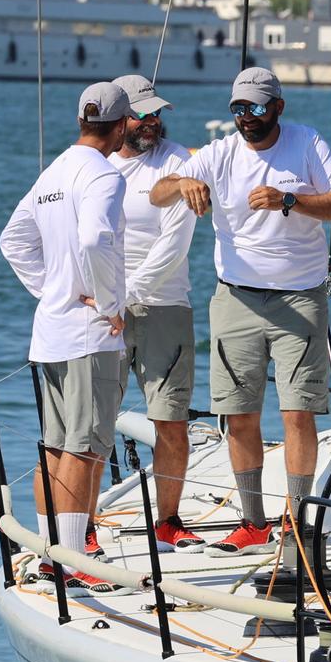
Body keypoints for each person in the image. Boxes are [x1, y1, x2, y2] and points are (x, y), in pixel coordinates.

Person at [150, 66, 331, 559]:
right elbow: (156, 192)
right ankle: (253, 521)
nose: (246, 118)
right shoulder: (219, 153)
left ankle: (299, 519)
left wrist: (292, 200)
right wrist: (181, 184)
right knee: (239, 416)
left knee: (297, 413)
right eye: (238, 109)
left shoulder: (306, 144)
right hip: (235, 300)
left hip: (300, 299)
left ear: (278, 108)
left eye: (256, 108)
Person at [0, 82, 129, 593]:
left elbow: (13, 240)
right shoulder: (104, 174)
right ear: (120, 127)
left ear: (82, 121)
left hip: (50, 331)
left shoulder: (53, 172)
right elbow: (96, 237)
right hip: (88, 336)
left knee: (54, 446)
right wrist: (106, 301)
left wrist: (54, 289)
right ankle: (69, 561)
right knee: (85, 446)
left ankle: (49, 551)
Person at [108, 73, 202, 551]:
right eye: (141, 115)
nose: (151, 122)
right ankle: (80, 525)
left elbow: (174, 241)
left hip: (163, 305)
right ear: (118, 117)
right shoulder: (94, 164)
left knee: (170, 418)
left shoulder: (178, 162)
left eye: (156, 114)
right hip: (102, 311)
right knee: (95, 418)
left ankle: (168, 520)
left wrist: (129, 297)